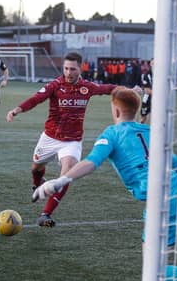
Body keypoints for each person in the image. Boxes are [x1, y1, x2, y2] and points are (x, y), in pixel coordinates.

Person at [33, 86, 177, 281]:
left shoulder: (112, 133)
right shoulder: (149, 131)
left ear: (116, 110)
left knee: (155, 270)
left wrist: (59, 181)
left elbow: (91, 162)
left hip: (161, 199)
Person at [6, 52, 117, 227]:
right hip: (50, 137)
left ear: (80, 68)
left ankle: (45, 214)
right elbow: (36, 99)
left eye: (72, 69)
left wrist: (130, 90)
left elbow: (109, 89)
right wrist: (16, 110)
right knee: (36, 168)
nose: (68, 72)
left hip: (72, 141)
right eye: (66, 68)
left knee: (66, 176)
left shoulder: (87, 87)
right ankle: (37, 185)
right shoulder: (55, 85)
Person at [139, 59, 153, 124]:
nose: (154, 65)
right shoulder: (146, 75)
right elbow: (147, 90)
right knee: (143, 118)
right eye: (152, 63)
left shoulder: (161, 75)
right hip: (147, 99)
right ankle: (140, 131)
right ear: (150, 64)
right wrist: (159, 94)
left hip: (157, 100)